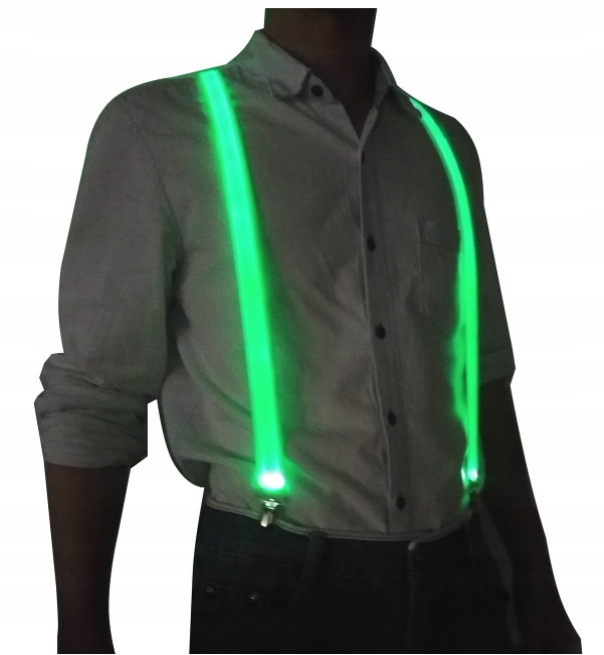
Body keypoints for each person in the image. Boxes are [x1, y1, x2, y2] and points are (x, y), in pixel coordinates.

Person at [35, 8, 581, 654]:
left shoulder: (442, 145)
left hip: (461, 573)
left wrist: (537, 583)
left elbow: (480, 380)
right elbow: (95, 399)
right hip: (275, 581)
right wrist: (81, 630)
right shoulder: (158, 130)